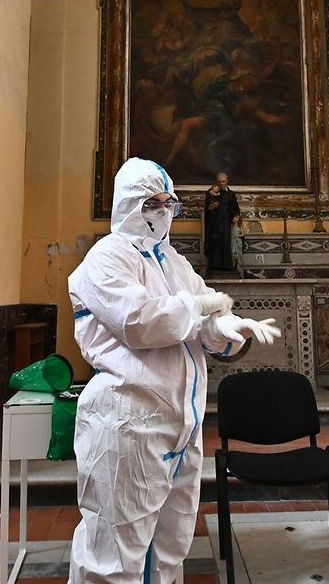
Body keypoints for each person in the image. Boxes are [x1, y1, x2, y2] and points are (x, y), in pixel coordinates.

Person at [68, 158, 280, 584]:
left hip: (182, 426)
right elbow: (139, 321)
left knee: (170, 546)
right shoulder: (107, 257)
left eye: (169, 204)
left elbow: (204, 326)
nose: (163, 212)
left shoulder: (175, 263)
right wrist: (200, 307)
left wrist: (227, 328)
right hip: (128, 423)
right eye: (152, 203)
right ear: (129, 205)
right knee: (115, 552)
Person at [204, 172, 240, 272]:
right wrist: (211, 207)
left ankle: (227, 265)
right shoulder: (211, 193)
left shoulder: (231, 194)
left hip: (226, 222)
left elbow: (235, 207)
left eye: (223, 181)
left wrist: (236, 215)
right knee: (215, 243)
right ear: (216, 182)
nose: (222, 183)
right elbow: (208, 207)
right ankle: (214, 265)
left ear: (227, 181)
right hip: (215, 223)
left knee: (226, 242)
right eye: (219, 182)